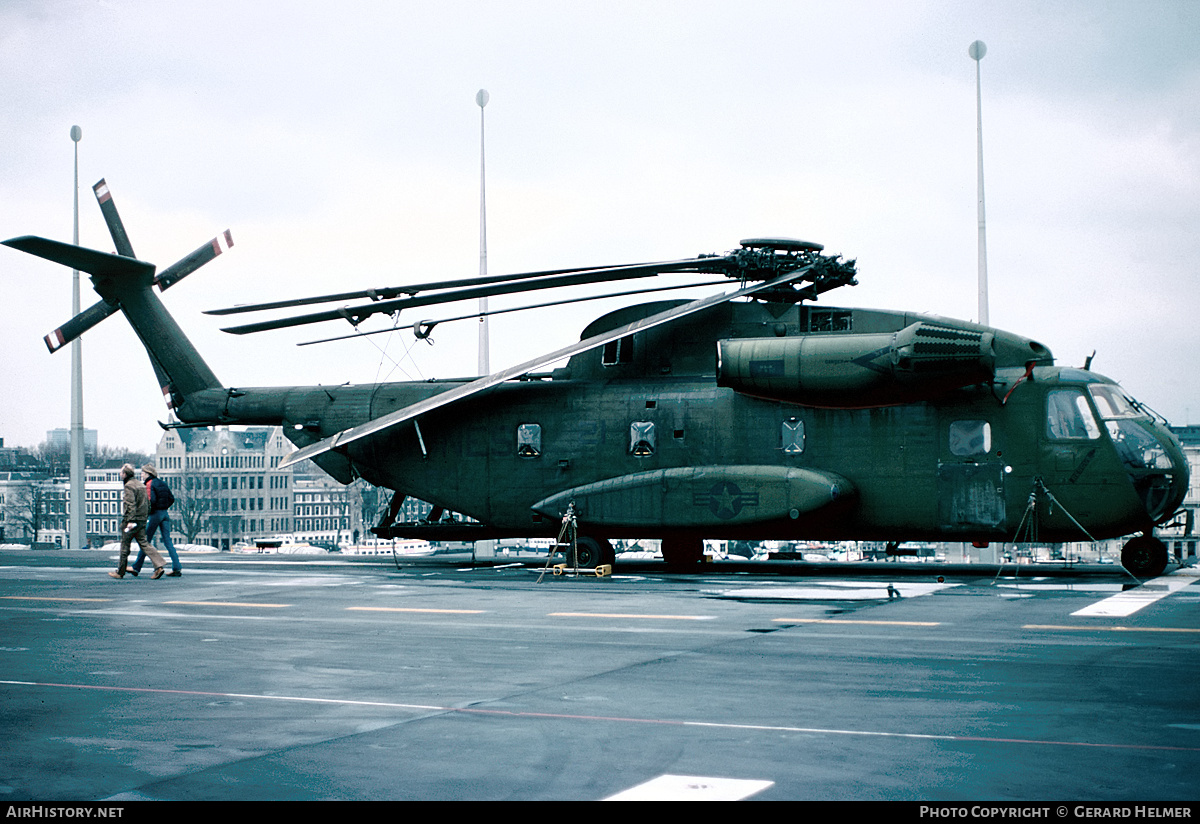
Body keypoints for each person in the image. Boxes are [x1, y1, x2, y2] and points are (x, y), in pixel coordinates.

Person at [109, 463, 165, 579]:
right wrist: (144, 517)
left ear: (125, 474)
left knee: (125, 546)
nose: (120, 474)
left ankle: (120, 572)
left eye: (121, 473)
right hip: (141, 520)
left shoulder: (129, 486)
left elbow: (130, 505)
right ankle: (159, 565)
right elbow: (147, 503)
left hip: (132, 521)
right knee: (145, 543)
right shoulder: (141, 485)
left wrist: (130, 521)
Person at [129, 464, 182, 577]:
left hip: (155, 514)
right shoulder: (162, 483)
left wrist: (148, 512)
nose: (142, 475)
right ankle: (177, 567)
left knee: (145, 541)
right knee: (168, 541)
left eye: (143, 473)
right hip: (164, 514)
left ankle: (136, 567)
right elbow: (171, 498)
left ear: (148, 473)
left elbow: (150, 501)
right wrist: (164, 507)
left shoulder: (149, 484)